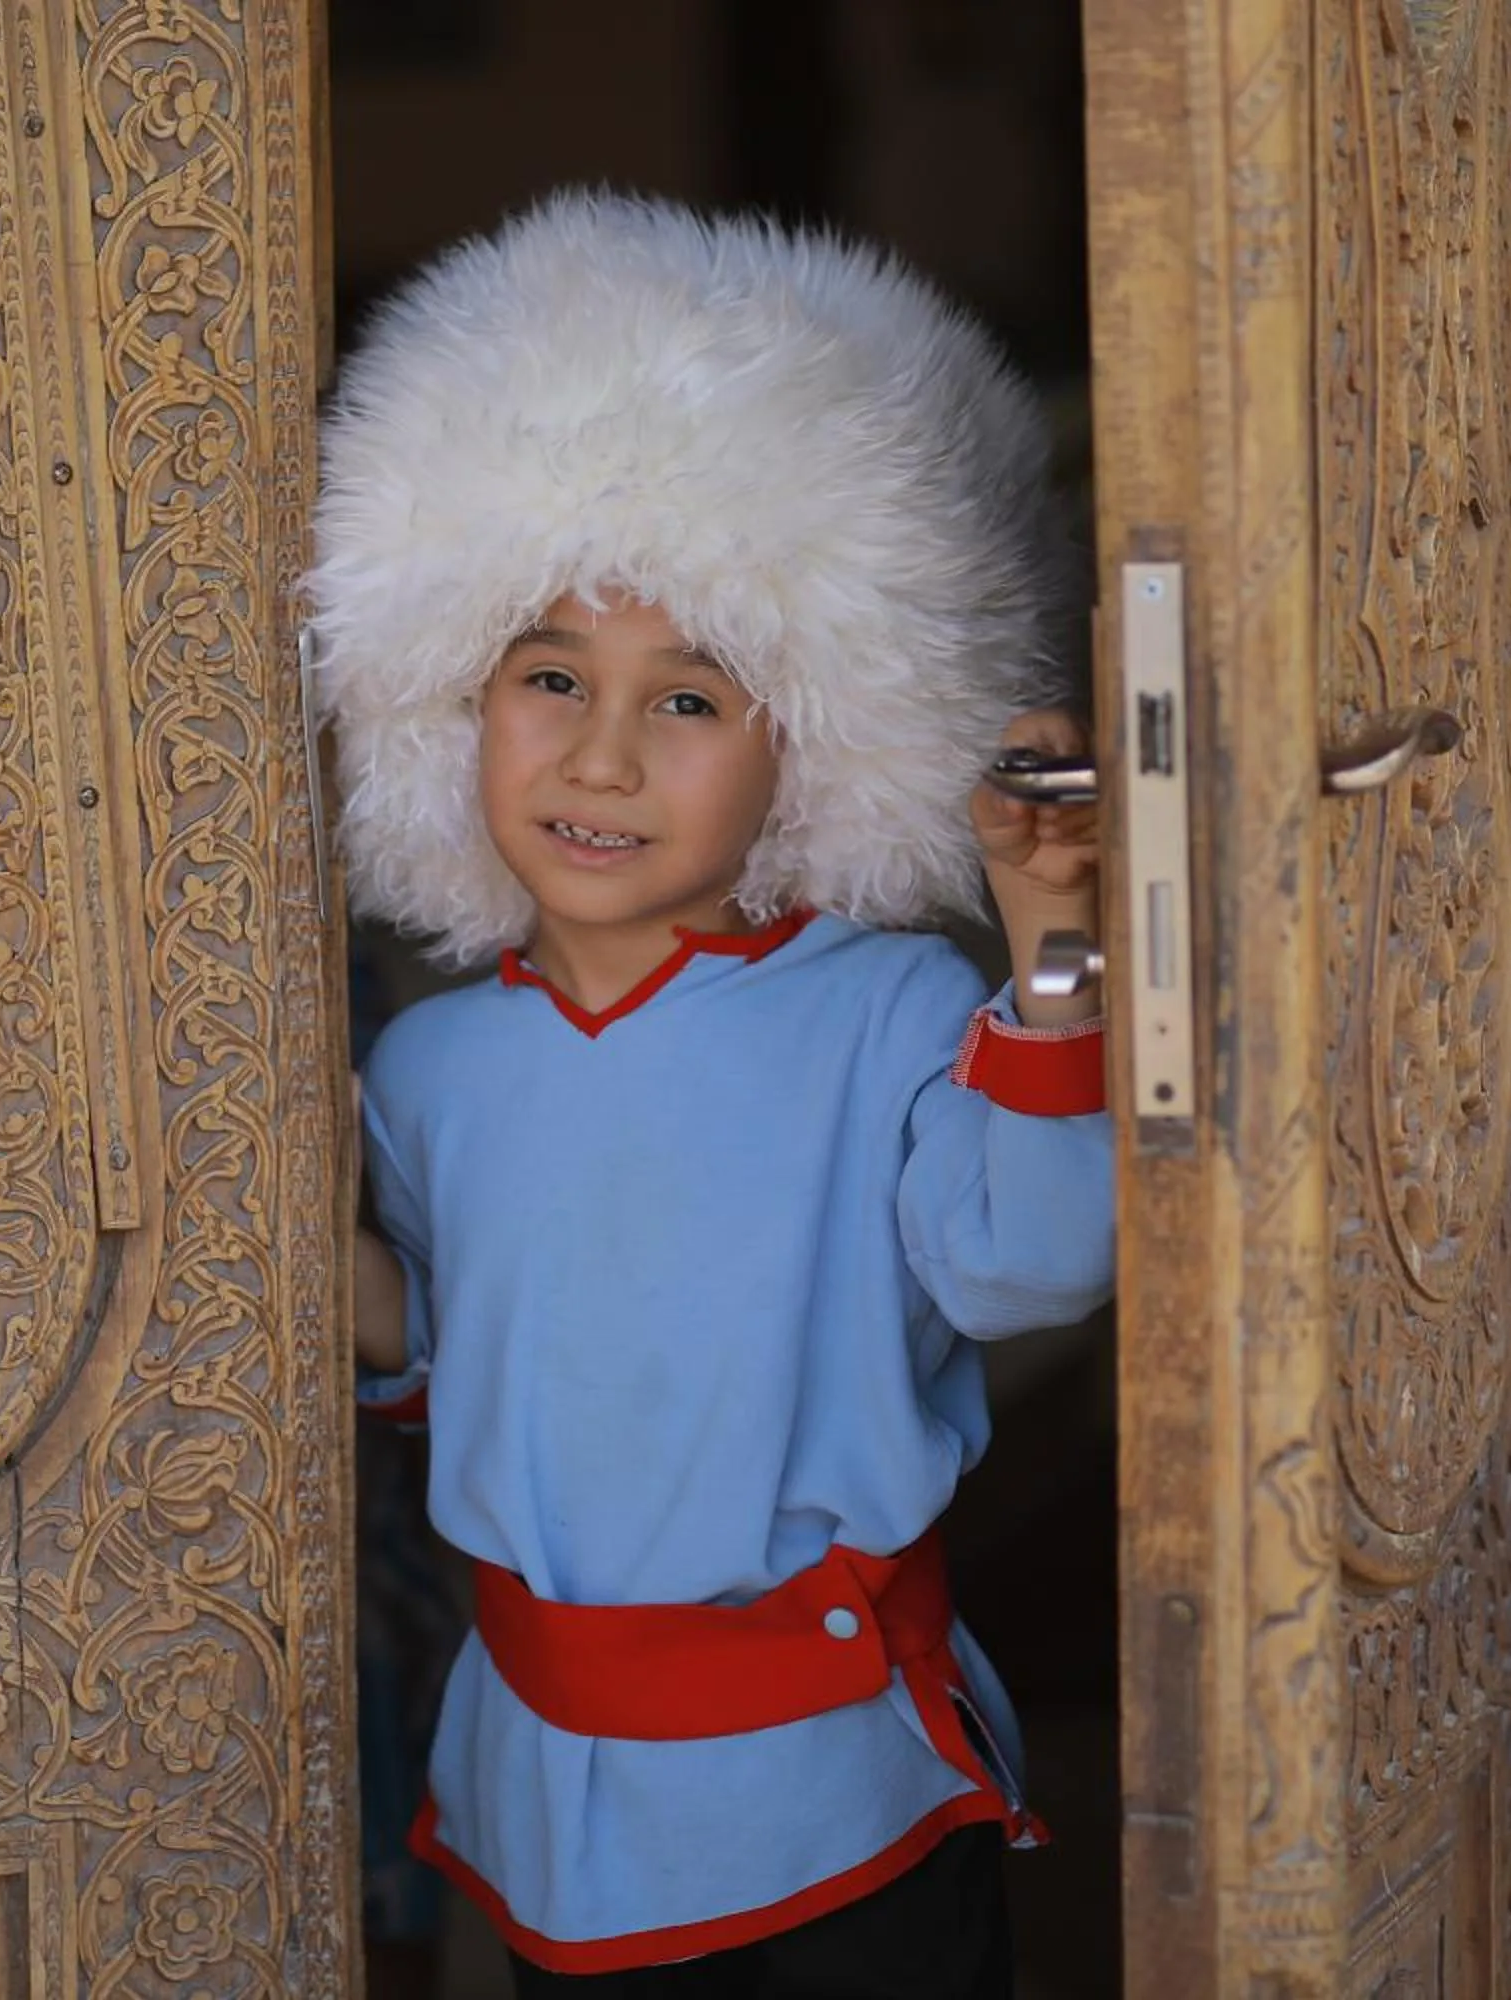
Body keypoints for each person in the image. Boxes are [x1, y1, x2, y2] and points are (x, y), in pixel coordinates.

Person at [310, 190, 1117, 1998]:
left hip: (832, 1803)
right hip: (550, 1783)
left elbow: (1034, 1265)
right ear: (452, 701)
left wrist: (1052, 931)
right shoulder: (428, 1067)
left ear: (816, 738)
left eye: (689, 701)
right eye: (548, 676)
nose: (600, 753)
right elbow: (462, 1343)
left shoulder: (894, 1009)